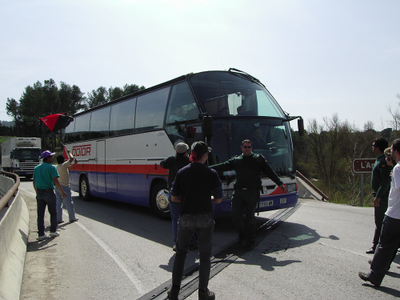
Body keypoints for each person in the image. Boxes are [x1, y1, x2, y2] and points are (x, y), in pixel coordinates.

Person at [168, 141, 223, 300]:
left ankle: (174, 292)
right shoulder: (211, 173)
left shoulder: (182, 172)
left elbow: (173, 197)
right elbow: (218, 199)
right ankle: (203, 293)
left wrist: (186, 197)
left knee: (181, 254)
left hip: (185, 218)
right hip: (205, 218)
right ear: (205, 155)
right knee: (205, 256)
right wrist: (209, 197)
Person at [210, 139, 285, 251]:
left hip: (252, 192)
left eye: (249, 147)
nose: (247, 148)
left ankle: (250, 241)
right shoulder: (237, 160)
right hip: (239, 192)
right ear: (241, 148)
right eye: (245, 147)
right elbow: (222, 166)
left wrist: (279, 183)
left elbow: (269, 172)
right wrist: (207, 168)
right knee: (234, 214)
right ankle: (242, 234)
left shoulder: (258, 159)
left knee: (250, 218)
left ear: (251, 148)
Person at [359, 139, 400, 287]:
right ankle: (380, 269)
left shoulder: (397, 168)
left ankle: (375, 276)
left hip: (395, 215)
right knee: (391, 247)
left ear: (396, 152)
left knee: (385, 245)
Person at [160, 142, 195, 251]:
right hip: (187, 193)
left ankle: (178, 242)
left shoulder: (171, 160)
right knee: (189, 217)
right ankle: (192, 242)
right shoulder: (190, 161)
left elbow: (162, 164)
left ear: (176, 151)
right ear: (186, 152)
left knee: (176, 219)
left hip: (174, 192)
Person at [33, 150, 66, 241]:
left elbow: (34, 181)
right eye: (51, 156)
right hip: (48, 192)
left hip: (39, 192)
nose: (52, 158)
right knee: (53, 212)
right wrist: (62, 192)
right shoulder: (51, 168)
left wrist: (37, 192)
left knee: (40, 214)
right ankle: (53, 231)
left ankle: (41, 234)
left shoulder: (36, 168)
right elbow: (55, 181)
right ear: (47, 158)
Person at [366, 138, 392, 254]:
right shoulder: (379, 160)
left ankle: (377, 246)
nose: (372, 147)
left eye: (373, 145)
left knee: (380, 222)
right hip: (381, 194)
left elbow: (385, 181)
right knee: (381, 222)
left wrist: (379, 196)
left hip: (383, 196)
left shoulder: (383, 161)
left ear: (377, 147)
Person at [55, 148, 78, 224]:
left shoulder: (57, 167)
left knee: (59, 203)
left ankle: (58, 218)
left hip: (58, 187)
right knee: (69, 203)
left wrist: (74, 164)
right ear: (63, 160)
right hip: (65, 187)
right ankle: (72, 217)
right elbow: (71, 159)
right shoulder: (64, 165)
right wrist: (69, 152)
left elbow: (68, 168)